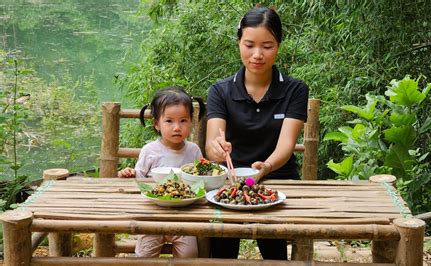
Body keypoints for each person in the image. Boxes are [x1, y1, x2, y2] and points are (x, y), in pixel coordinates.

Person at [205, 6, 309, 260]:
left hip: (278, 178)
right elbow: (211, 145)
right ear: (239, 42)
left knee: (273, 247)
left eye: (267, 46)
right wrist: (217, 149)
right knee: (221, 247)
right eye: (249, 45)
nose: (257, 55)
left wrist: (266, 167)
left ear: (279, 46)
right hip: (229, 180)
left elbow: (286, 146)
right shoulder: (220, 91)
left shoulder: (295, 90)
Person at [118, 86, 205, 258]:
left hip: (184, 220)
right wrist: (130, 174)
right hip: (152, 218)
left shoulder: (194, 151)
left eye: (183, 121)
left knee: (190, 254)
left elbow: (200, 179)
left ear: (192, 122)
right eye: (169, 121)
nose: (177, 128)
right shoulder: (150, 151)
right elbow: (140, 179)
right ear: (156, 123)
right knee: (144, 255)